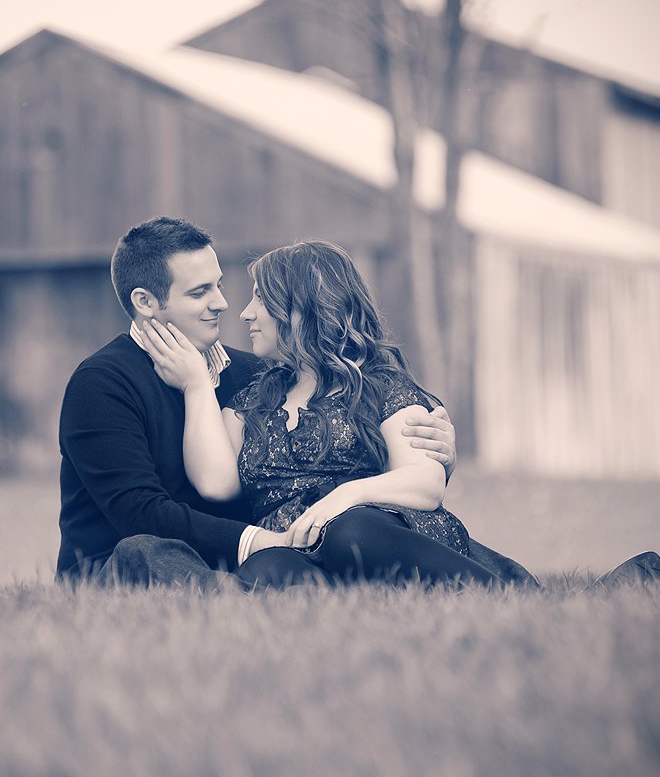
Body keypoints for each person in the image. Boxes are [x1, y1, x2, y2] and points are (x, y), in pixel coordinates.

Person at [140, 240, 660, 589]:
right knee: (266, 567)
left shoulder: (378, 384)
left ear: (301, 309)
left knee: (350, 532)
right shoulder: (257, 397)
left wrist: (345, 496)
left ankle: (513, 597)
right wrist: (194, 384)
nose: (246, 312)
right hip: (300, 550)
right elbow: (215, 482)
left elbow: (425, 482)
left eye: (261, 299)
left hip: (379, 532)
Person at [56, 217, 498, 587]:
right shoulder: (102, 384)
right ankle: (237, 599)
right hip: (138, 560)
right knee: (147, 553)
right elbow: (142, 513)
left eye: (219, 286)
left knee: (303, 561)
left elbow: (355, 455)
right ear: (146, 302)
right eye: (199, 293)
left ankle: (261, 598)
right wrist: (262, 542)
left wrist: (434, 452)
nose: (225, 305)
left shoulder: (257, 376)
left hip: (251, 557)